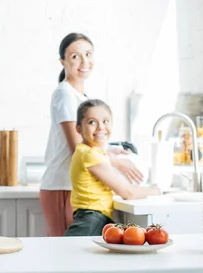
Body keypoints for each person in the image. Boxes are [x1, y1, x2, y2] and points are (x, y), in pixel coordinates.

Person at [39, 33, 144, 237]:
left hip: (72, 187)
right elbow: (76, 146)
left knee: (72, 257)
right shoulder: (64, 93)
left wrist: (110, 150)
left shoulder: (80, 96)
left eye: (88, 54)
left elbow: (87, 144)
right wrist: (114, 161)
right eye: (75, 56)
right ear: (63, 62)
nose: (84, 61)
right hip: (61, 186)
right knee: (64, 258)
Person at [64, 99, 160, 236]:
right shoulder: (90, 155)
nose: (100, 127)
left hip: (89, 217)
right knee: (69, 255)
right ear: (78, 128)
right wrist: (154, 190)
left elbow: (97, 156)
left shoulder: (85, 151)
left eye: (105, 121)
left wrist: (109, 153)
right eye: (92, 122)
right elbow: (128, 193)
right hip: (92, 219)